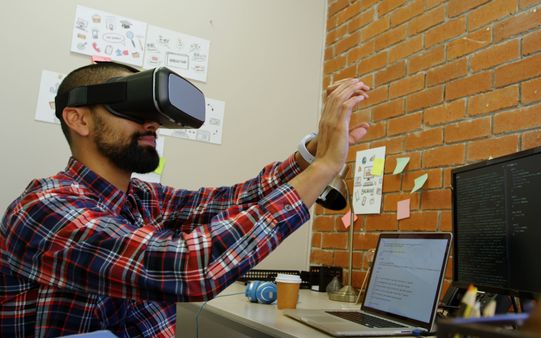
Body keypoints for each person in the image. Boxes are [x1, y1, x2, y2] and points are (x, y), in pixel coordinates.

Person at [0, 62, 369, 337]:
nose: (152, 125)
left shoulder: (143, 199)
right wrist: (324, 169)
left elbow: (239, 199)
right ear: (78, 119)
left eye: (153, 115)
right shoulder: (43, 207)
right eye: (133, 111)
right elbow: (190, 266)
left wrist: (315, 151)